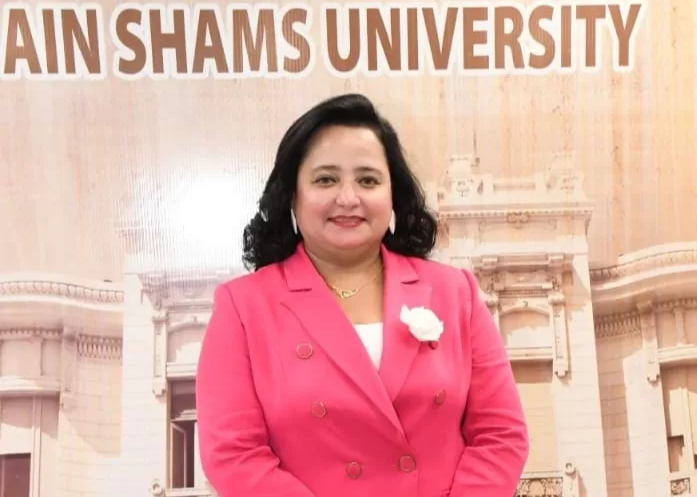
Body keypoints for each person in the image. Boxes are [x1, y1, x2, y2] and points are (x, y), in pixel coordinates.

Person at [195, 93, 529, 497]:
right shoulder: (243, 307)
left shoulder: (455, 292)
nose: (348, 198)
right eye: (326, 179)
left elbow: (500, 434)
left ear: (393, 195)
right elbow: (233, 455)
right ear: (292, 196)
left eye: (368, 180)